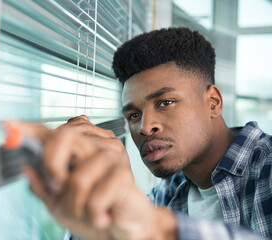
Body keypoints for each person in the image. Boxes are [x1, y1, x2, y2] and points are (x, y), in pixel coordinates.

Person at [17, 27, 272, 240]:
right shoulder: (168, 194)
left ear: (213, 102)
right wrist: (101, 195)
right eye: (134, 115)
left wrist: (156, 228)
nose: (145, 127)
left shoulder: (267, 169)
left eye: (165, 103)